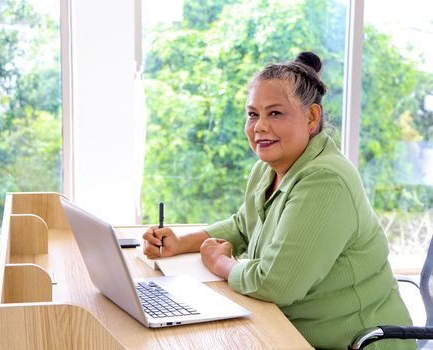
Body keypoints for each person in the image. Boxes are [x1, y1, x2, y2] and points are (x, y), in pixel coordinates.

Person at [142, 52, 414, 349]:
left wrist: (220, 262)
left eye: (275, 113)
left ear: (311, 117)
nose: (259, 126)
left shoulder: (325, 181)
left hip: (349, 343)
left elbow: (275, 284)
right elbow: (244, 226)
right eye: (252, 114)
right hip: (282, 329)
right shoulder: (268, 167)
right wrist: (180, 242)